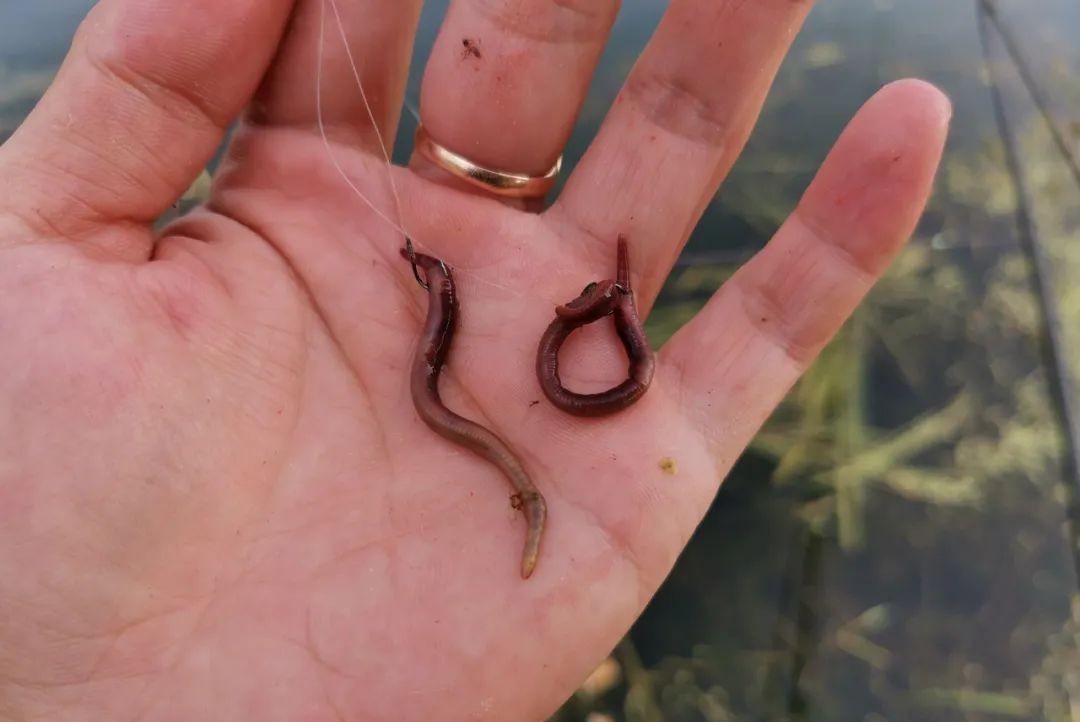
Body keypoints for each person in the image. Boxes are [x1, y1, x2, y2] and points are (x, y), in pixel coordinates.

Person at [0, 0, 949, 719]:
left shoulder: (461, 316)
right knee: (478, 381)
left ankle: (561, 410)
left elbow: (442, 342)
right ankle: (539, 464)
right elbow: (438, 341)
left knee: (499, 376)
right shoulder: (441, 306)